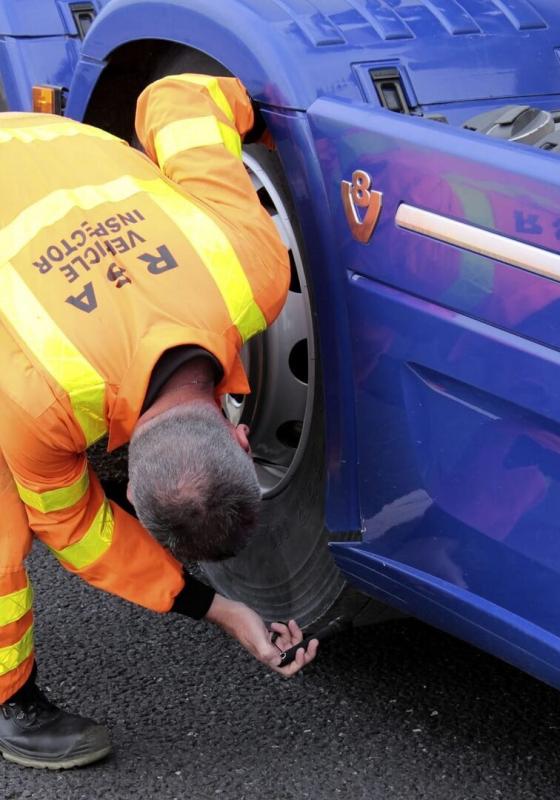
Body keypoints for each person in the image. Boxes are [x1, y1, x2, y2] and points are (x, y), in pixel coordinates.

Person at [0, 73, 318, 770]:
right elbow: (76, 529)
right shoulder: (39, 401)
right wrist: (214, 606)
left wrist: (263, 116)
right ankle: (9, 699)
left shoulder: (249, 267)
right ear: (243, 436)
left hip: (38, 144)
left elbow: (180, 96)